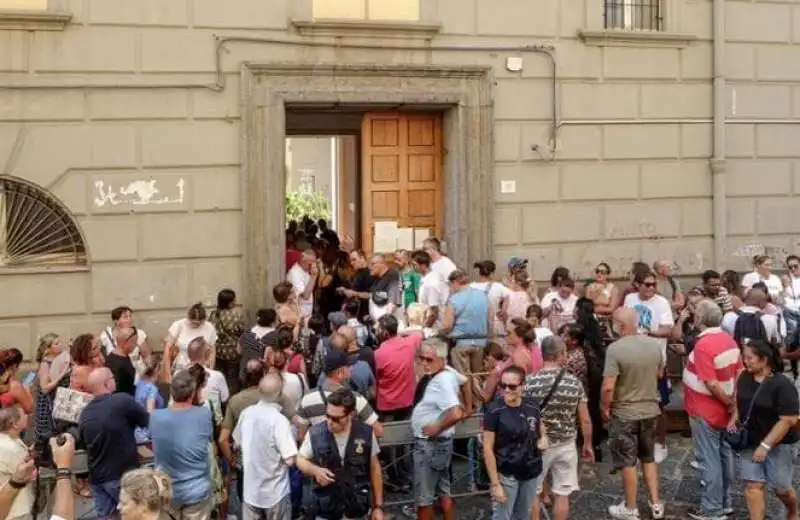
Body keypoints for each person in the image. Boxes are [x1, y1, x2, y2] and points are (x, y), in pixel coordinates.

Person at [602, 308, 665, 520]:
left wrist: (605, 407)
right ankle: (656, 504)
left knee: (627, 461)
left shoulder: (615, 349)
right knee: (648, 457)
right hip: (649, 410)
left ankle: (630, 507)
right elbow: (659, 373)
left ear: (619, 326)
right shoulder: (654, 346)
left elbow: (609, 386)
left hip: (625, 412)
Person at [682, 300, 741, 520]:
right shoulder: (729, 340)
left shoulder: (703, 345)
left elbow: (711, 382)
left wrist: (728, 402)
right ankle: (725, 502)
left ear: (699, 320)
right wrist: (733, 404)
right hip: (723, 412)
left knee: (710, 460)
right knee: (724, 456)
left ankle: (712, 508)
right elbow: (739, 372)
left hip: (706, 410)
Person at [526, 337, 594, 520]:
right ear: (560, 354)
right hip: (565, 444)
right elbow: (585, 420)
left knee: (533, 491)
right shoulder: (574, 383)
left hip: (537, 445)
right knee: (562, 494)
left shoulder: (529, 382)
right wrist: (587, 444)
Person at [732, 340, 799, 520]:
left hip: (779, 443)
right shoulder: (743, 376)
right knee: (753, 485)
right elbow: (737, 398)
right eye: (743, 357)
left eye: (749, 358)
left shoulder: (782, 385)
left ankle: (793, 510)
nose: (745, 361)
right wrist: (735, 417)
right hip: (750, 440)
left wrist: (765, 445)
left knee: (781, 488)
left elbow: (788, 420)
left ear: (764, 359)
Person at [296, 387, 384, 520]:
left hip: (357, 508)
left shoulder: (365, 433)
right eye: (328, 416)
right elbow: (300, 459)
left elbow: (375, 467)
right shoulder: (315, 433)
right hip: (326, 509)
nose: (330, 423)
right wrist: (315, 470)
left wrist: (378, 507)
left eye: (336, 418)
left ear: (350, 415)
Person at [78, 367, 149, 520]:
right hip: (122, 477)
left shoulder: (84, 413)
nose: (115, 381)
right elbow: (146, 420)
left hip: (97, 479)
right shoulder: (122, 400)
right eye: (112, 378)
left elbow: (84, 444)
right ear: (107, 383)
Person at [411, 338, 468, 520]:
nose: (425, 364)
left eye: (430, 360)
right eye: (423, 358)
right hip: (440, 444)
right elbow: (466, 381)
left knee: (424, 500)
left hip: (431, 445)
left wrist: (437, 427)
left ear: (442, 360)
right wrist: (469, 406)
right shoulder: (448, 372)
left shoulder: (441, 381)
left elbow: (455, 413)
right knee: (444, 492)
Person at [149, 370, 214, 520]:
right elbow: (208, 440)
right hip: (196, 491)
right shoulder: (203, 414)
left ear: (172, 392)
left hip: (167, 490)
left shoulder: (155, 417)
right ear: (192, 393)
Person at [234, 373, 298, 520]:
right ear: (280, 394)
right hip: (275, 493)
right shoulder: (279, 420)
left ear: (259, 391)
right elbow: (290, 459)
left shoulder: (246, 414)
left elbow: (236, 442)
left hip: (251, 492)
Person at [482, 365, 543, 520]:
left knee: (522, 515)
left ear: (523, 386)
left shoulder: (532, 405)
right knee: (502, 516)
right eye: (503, 386)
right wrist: (495, 484)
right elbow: (487, 448)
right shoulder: (494, 410)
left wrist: (544, 439)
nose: (507, 390)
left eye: (512, 386)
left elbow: (541, 428)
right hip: (506, 472)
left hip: (530, 470)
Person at [219, 359, 266, 504]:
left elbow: (222, 439)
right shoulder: (272, 397)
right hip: (268, 458)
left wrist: (232, 459)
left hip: (245, 459)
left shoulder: (235, 401)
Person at [0, 406, 32, 520]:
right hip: (15, 511)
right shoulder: (11, 448)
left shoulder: (11, 441)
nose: (27, 416)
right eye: (23, 415)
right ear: (14, 424)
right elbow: (29, 473)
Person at [106, 327, 138, 396]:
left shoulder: (125, 356)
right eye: (134, 342)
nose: (136, 345)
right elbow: (115, 390)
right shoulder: (115, 364)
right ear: (126, 342)